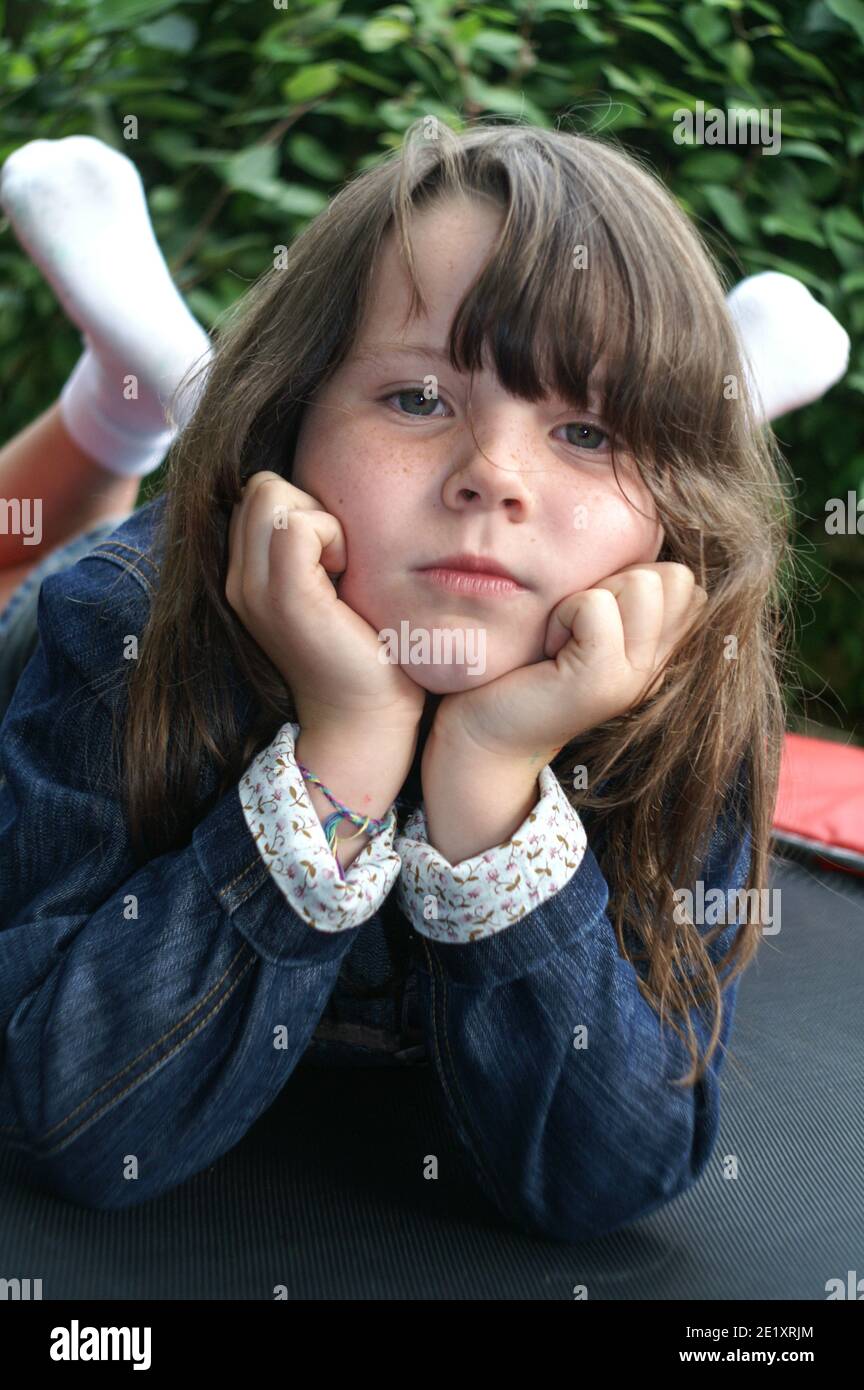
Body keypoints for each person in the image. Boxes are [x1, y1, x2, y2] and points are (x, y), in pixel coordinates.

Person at [0, 127, 850, 1236]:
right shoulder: (124, 619)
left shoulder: (687, 689)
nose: (493, 474)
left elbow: (611, 1177)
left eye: (587, 428)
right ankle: (144, 406)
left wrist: (491, 775)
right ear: (293, 419)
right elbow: (63, 1117)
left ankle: (678, 404)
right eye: (415, 399)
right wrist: (346, 746)